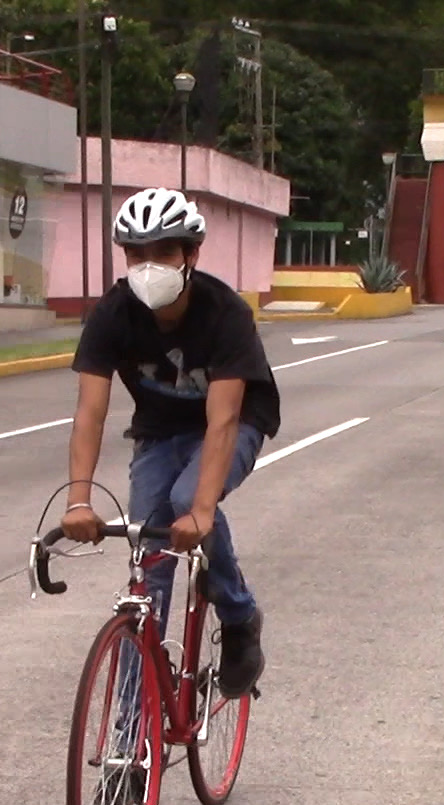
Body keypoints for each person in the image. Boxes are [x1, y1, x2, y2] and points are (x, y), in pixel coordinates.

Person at [60, 188, 278, 698]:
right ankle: (130, 743)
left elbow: (222, 421)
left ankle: (239, 615)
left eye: (163, 252)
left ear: (190, 255)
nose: (148, 265)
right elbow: (90, 412)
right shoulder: (113, 314)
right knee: (148, 564)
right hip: (160, 429)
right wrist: (78, 499)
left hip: (237, 420)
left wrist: (202, 510)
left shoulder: (224, 312)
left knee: (186, 502)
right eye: (137, 254)